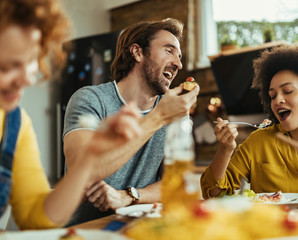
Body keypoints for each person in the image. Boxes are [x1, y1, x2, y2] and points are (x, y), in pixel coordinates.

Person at [0, 0, 143, 230]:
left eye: (31, 62)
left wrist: (89, 158)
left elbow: (37, 216)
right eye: (7, 67)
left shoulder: (14, 123)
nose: (28, 79)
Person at [63, 18, 200, 225]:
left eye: (179, 56)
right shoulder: (91, 99)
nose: (179, 64)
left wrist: (129, 195)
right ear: (137, 52)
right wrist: (159, 117)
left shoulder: (172, 110)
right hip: (86, 230)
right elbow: (82, 171)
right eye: (169, 51)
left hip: (143, 229)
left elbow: (176, 184)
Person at [200, 44, 298, 199]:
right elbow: (213, 195)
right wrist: (225, 150)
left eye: (288, 91)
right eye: (272, 96)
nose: (278, 100)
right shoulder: (258, 142)